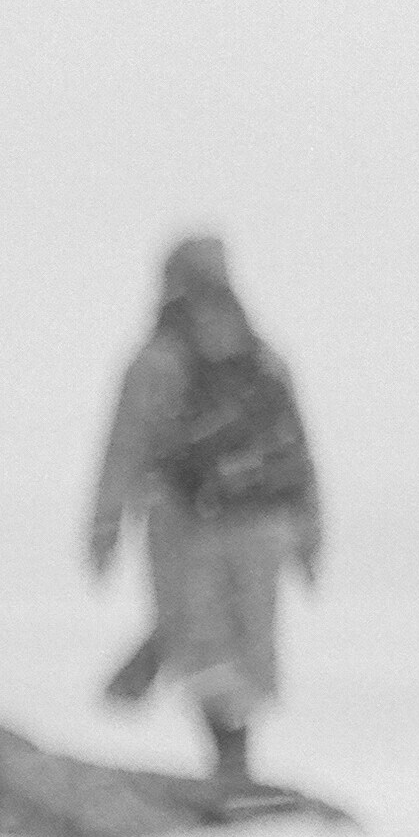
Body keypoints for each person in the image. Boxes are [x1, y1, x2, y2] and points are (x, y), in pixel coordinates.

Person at [86, 235, 323, 781]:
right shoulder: (264, 357)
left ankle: (226, 759)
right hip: (265, 527)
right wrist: (309, 532)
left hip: (186, 520)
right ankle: (234, 759)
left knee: (198, 633)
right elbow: (299, 449)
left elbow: (124, 445)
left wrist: (104, 525)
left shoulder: (156, 359)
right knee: (244, 642)